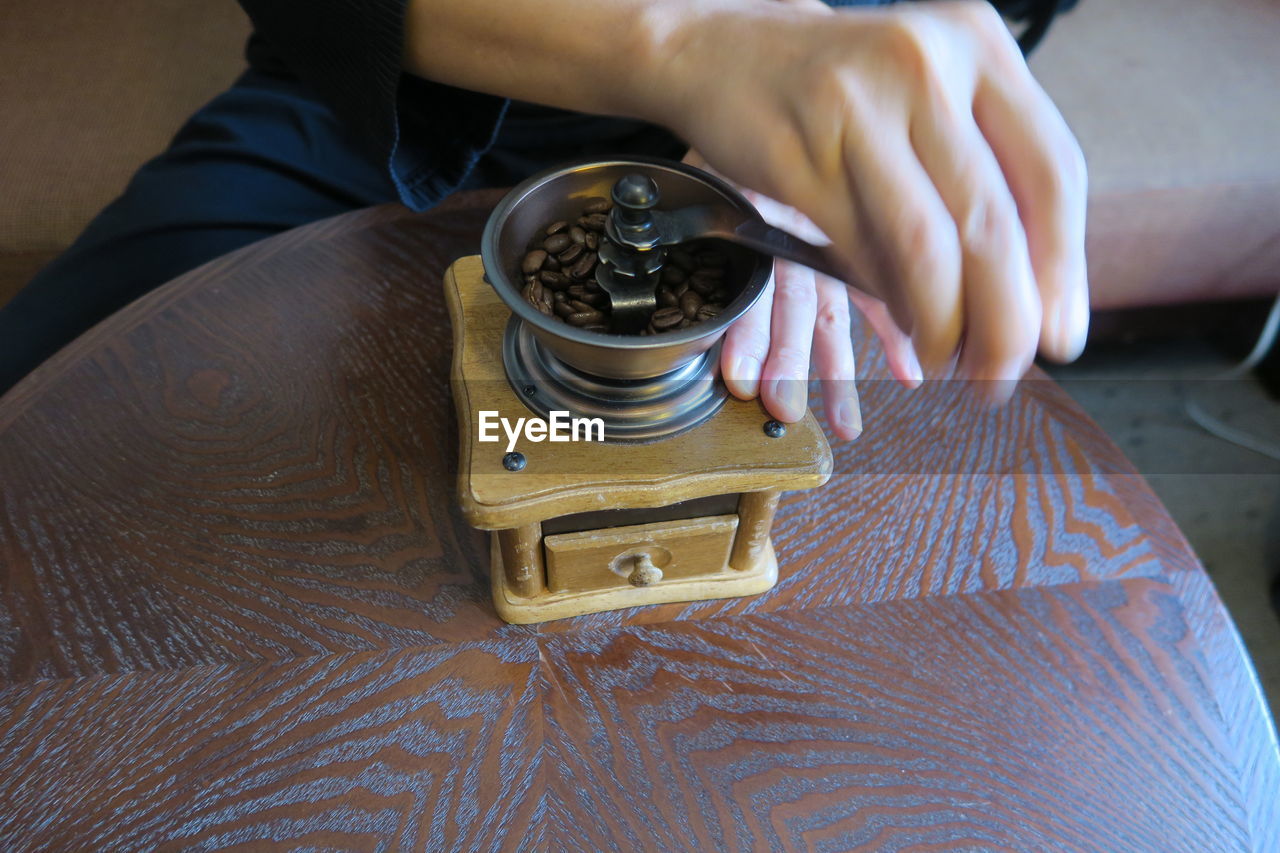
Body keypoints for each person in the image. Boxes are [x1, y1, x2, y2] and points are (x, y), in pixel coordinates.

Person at [0, 0, 1087, 442]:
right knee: (55, 415)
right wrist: (695, 39)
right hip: (399, 97)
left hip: (803, 131)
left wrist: (840, 75)